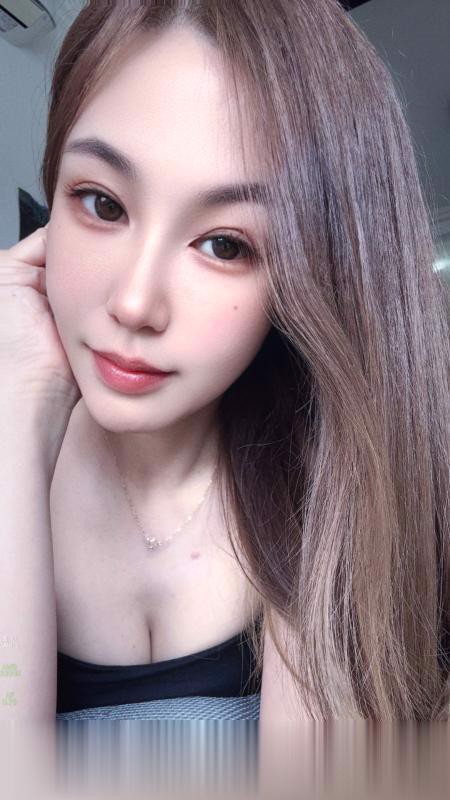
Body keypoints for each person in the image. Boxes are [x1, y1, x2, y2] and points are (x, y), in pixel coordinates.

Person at [1, 0, 448, 729]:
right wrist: (15, 422)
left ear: (307, 281)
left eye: (225, 245)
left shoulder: (331, 483)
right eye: (102, 204)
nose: (135, 302)